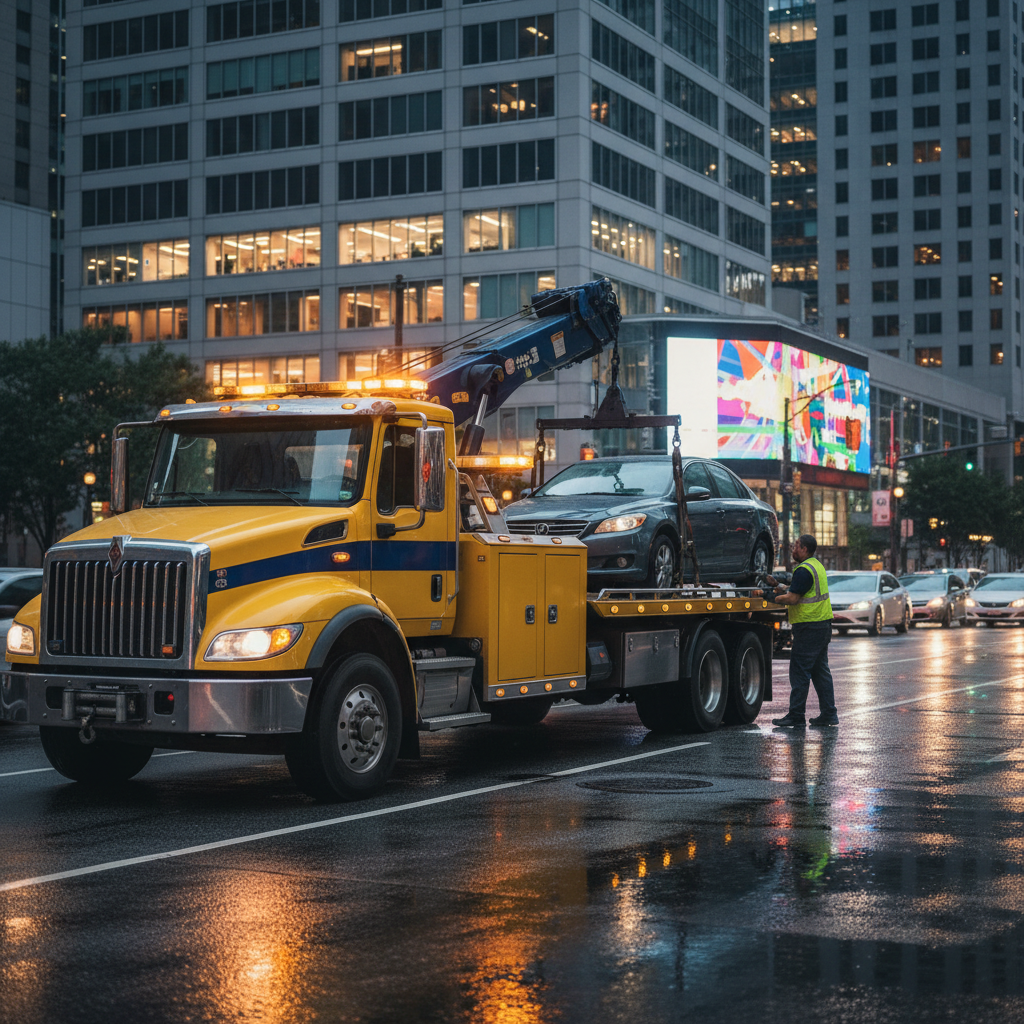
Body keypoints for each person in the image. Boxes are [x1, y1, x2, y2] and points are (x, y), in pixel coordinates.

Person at [763, 533, 839, 728]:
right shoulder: (816, 566)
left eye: (796, 545)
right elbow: (796, 589)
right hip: (821, 626)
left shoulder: (804, 570)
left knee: (799, 672)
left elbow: (793, 598)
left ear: (805, 549)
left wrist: (769, 597)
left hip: (809, 628)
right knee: (820, 671)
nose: (793, 548)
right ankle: (829, 714)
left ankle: (796, 715)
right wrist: (778, 585)